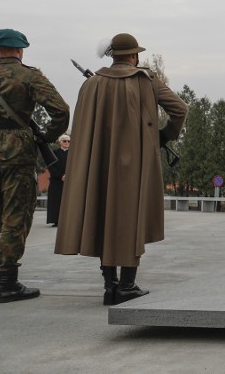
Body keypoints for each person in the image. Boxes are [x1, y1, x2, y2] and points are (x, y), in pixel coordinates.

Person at [55, 33, 187, 306]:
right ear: (134, 55)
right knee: (130, 218)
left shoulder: (92, 84)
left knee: (103, 215)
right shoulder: (146, 81)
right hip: (136, 163)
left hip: (99, 161)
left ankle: (109, 286)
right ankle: (127, 286)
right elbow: (180, 109)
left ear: (113, 55)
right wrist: (163, 136)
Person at [0, 28, 70, 303]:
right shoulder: (29, 76)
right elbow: (61, 110)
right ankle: (8, 283)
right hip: (18, 150)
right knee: (16, 214)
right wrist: (48, 137)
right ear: (20, 50)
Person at [46, 134, 70, 227]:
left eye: (69, 141)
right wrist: (61, 176)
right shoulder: (54, 152)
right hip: (56, 181)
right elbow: (51, 166)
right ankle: (56, 220)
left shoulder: (74, 153)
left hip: (70, 181)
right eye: (64, 141)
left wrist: (69, 175)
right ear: (60, 142)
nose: (67, 143)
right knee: (56, 201)